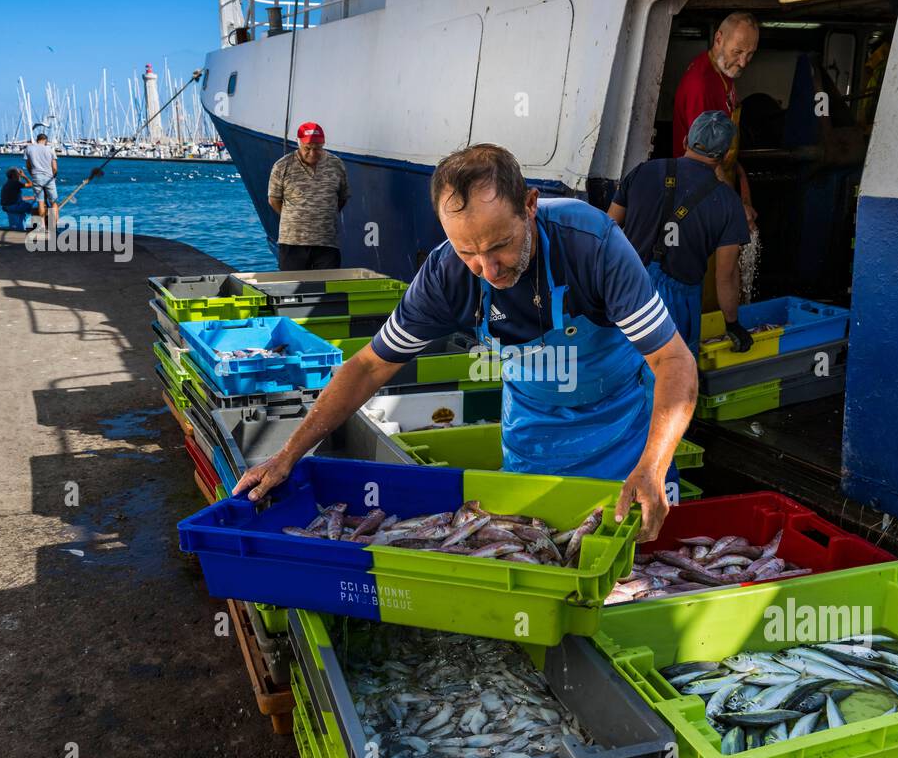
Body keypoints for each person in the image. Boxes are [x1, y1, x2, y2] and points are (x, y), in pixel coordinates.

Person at [234, 144, 698, 541]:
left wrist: (653, 466)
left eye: (501, 245)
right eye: (467, 251)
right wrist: (287, 455)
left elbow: (673, 360)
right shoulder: (445, 274)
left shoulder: (591, 244)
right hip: (534, 436)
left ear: (530, 204)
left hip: (627, 432)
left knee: (640, 562)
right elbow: (370, 367)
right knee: (539, 547)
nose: (489, 270)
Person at [608, 111, 751, 357]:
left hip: (626, 291)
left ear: (685, 141)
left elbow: (607, 229)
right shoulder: (729, 203)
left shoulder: (642, 172)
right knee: (671, 380)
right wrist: (732, 324)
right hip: (675, 304)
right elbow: (725, 275)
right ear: (726, 155)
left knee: (622, 375)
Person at [672, 11, 760, 234]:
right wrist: (733, 206)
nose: (743, 62)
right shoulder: (702, 83)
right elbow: (705, 157)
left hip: (718, 180)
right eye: (738, 52)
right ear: (719, 39)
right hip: (699, 190)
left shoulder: (724, 74)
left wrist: (740, 177)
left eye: (750, 54)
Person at [267, 122, 350, 270]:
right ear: (298, 143)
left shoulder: (336, 165)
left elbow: (342, 198)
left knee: (328, 288)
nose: (312, 153)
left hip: (326, 242)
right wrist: (295, 217)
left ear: (323, 144)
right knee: (293, 288)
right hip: (292, 242)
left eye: (317, 148)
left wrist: (323, 214)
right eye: (307, 148)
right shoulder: (282, 166)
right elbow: (274, 200)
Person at [23, 133, 58, 233]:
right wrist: (53, 176)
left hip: (36, 177)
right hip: (49, 178)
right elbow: (55, 168)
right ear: (45, 140)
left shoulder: (29, 149)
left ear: (37, 139)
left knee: (40, 202)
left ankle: (42, 226)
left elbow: (28, 165)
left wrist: (32, 175)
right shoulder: (50, 149)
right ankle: (53, 227)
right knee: (53, 202)